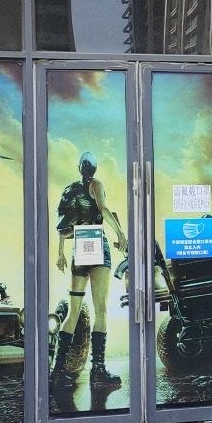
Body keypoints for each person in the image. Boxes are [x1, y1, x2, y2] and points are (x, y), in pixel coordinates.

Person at [51, 150, 128, 389]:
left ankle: (57, 373)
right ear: (93, 169)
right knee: (101, 310)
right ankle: (98, 372)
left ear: (79, 168)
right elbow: (103, 209)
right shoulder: (96, 184)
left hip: (79, 246)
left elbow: (63, 226)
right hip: (96, 242)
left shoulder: (71, 190)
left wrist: (61, 253)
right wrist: (120, 233)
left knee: (73, 312)